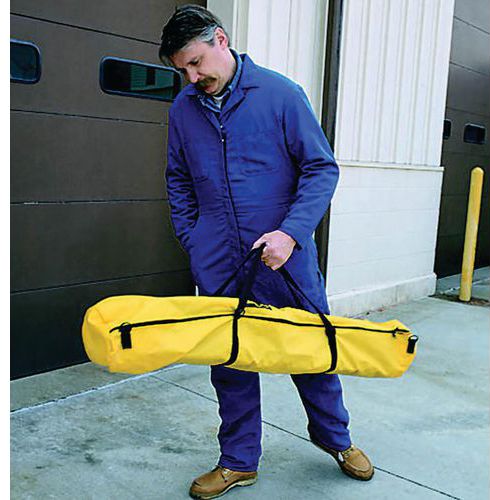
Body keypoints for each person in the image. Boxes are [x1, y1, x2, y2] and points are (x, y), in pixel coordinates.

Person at [159, 5, 373, 499]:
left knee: (311, 350)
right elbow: (178, 179)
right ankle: (238, 461)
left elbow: (321, 169)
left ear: (220, 39)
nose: (192, 78)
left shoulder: (280, 94)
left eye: (196, 63)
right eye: (183, 70)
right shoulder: (184, 109)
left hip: (284, 256)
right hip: (219, 258)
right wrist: (195, 237)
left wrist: (290, 234)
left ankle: (336, 439)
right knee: (230, 360)